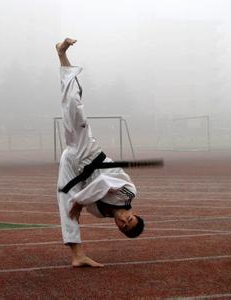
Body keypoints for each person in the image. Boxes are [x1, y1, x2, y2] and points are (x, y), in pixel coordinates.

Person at [56, 38, 144, 267]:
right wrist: (78, 202)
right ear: (134, 213)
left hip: (72, 165)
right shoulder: (128, 193)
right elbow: (103, 181)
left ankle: (77, 255)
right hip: (87, 152)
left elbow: (85, 196)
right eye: (130, 220)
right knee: (73, 105)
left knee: (65, 203)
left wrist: (75, 202)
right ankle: (63, 56)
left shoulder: (100, 213)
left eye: (125, 227)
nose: (125, 221)